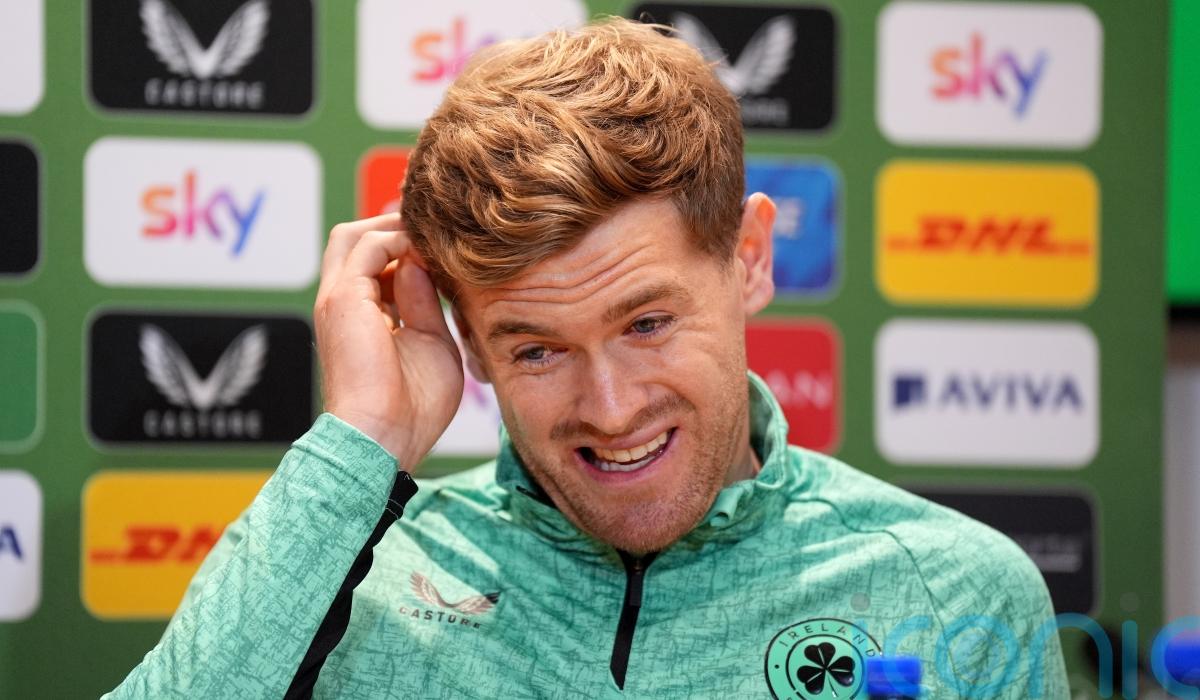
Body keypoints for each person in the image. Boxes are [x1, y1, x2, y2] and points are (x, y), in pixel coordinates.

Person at [107, 17, 1068, 699]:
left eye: (647, 324)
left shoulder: (953, 590)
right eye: (536, 349)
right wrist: (362, 440)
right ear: (470, 344)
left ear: (749, 259)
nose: (610, 409)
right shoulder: (351, 578)